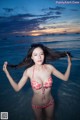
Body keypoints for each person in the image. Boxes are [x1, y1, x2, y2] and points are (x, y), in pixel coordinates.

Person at [3, 43, 72, 120]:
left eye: (41, 54)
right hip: (36, 105)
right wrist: (7, 74)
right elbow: (17, 88)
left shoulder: (50, 68)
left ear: (44, 55)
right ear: (32, 57)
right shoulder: (28, 72)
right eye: (35, 55)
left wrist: (69, 64)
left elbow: (65, 78)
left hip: (50, 103)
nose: (39, 57)